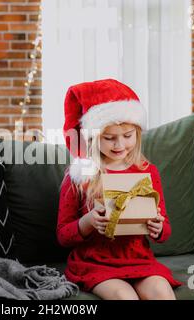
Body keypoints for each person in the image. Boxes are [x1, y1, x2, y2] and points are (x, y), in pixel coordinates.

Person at [57, 79, 182, 300]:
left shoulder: (147, 172)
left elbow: (165, 231)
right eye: (109, 138)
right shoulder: (80, 175)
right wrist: (87, 222)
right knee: (125, 297)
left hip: (139, 261)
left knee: (162, 293)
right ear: (94, 137)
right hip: (96, 263)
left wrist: (158, 228)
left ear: (138, 133)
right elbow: (63, 236)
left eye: (127, 136)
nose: (119, 145)